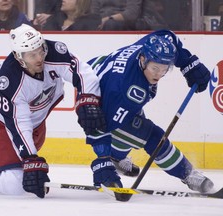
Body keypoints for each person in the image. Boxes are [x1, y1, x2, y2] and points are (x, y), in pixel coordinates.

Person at [0, 23, 108, 198]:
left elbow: (82, 72)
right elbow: (19, 125)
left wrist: (88, 99)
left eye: (40, 50)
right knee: (15, 185)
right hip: (4, 125)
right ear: (19, 57)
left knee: (14, 149)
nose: (39, 58)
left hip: (35, 123)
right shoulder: (9, 81)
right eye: (32, 55)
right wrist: (31, 159)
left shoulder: (53, 52)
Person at [82, 29, 214, 194]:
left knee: (134, 120)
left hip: (98, 74)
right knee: (152, 135)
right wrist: (102, 161)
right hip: (96, 99)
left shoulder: (150, 48)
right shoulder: (127, 91)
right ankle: (188, 175)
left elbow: (168, 35)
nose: (159, 75)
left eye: (164, 69)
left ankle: (116, 157)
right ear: (143, 60)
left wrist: (187, 63)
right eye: (155, 68)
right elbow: (98, 124)